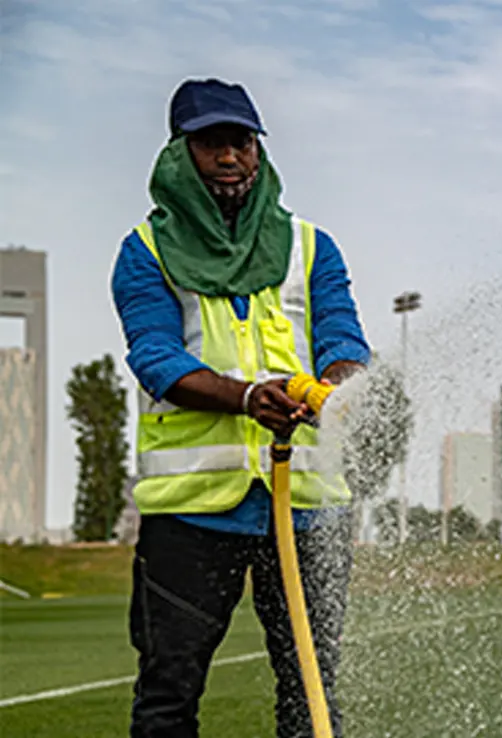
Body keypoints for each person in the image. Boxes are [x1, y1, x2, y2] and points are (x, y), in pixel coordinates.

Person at [111, 78, 371, 738]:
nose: (229, 157)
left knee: (311, 687)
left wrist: (330, 390)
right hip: (193, 512)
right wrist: (249, 399)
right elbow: (157, 358)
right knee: (169, 692)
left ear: (259, 152)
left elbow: (344, 343)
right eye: (210, 144)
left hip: (306, 507)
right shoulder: (145, 253)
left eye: (242, 142)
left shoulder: (311, 247)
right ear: (180, 155)